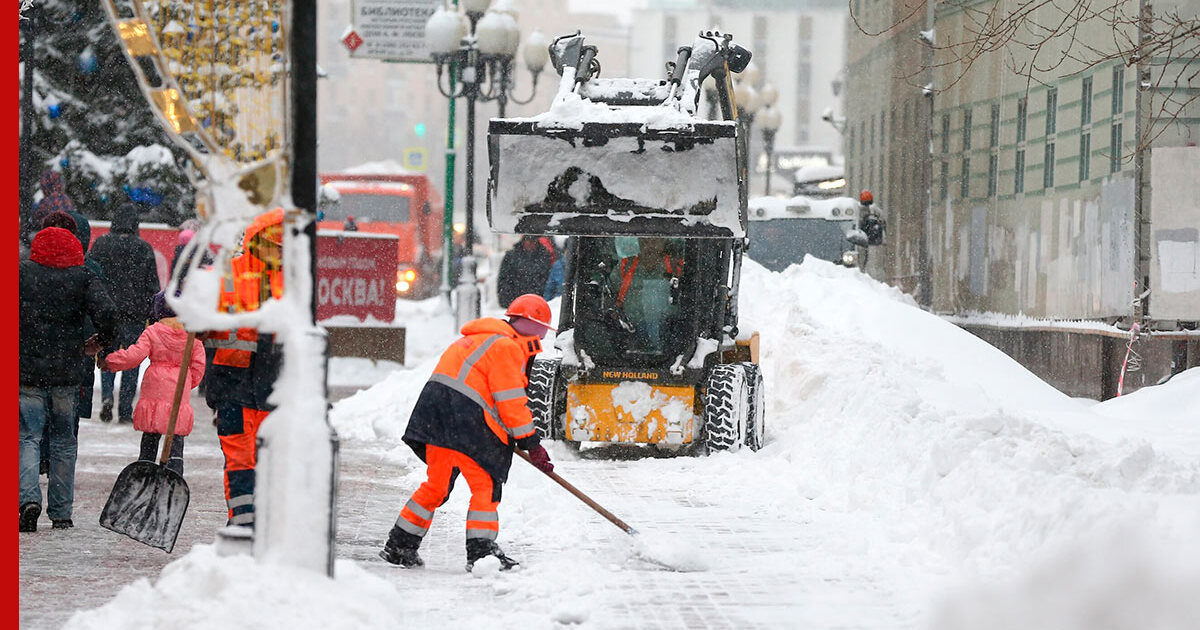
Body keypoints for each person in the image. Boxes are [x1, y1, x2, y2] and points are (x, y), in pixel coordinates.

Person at [380, 293, 556, 571]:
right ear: (533, 326)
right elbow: (510, 401)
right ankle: (482, 554)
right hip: (467, 421)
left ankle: (400, 545)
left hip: (435, 418)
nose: (543, 339)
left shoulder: (475, 338)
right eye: (543, 330)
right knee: (485, 488)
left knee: (436, 486)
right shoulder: (506, 347)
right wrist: (531, 444)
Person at [20, 223, 118, 532]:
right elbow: (109, 316)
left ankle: (26, 500)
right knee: (64, 441)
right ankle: (61, 511)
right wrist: (100, 343)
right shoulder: (84, 277)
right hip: (66, 371)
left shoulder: (22, 274)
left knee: (27, 437)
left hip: (26, 372)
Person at [210, 209, 284, 529]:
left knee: (269, 458)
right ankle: (242, 518)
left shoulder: (291, 285)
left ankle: (265, 518)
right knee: (240, 456)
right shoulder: (229, 275)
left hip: (272, 388)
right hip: (232, 382)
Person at [100, 292, 206, 476]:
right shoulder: (191, 336)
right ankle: (174, 474)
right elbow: (198, 367)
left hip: (155, 388)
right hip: (178, 391)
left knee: (151, 434)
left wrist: (110, 361)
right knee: (175, 440)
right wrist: (187, 383)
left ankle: (144, 472)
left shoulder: (153, 332)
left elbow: (134, 356)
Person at [89, 202, 161, 423]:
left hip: (107, 310)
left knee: (107, 354)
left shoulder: (101, 245)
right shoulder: (144, 248)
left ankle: (107, 396)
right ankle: (125, 409)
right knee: (132, 360)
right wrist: (152, 311)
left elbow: (92, 277)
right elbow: (153, 285)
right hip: (134, 314)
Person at [496, 235, 554, 308]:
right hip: (516, 301)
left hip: (536, 302)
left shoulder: (544, 256)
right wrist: (506, 299)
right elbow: (504, 279)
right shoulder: (511, 256)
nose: (531, 244)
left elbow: (547, 279)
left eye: (533, 241)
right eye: (529, 241)